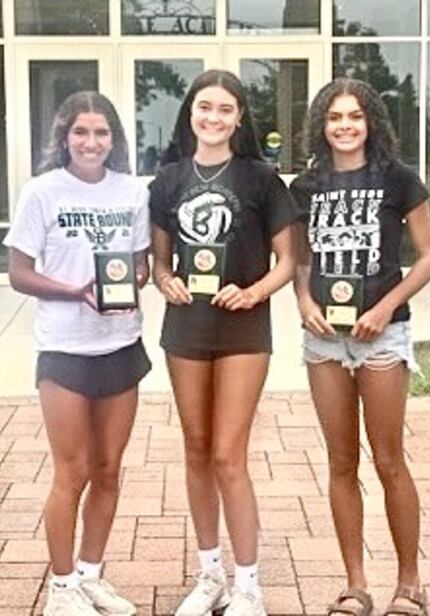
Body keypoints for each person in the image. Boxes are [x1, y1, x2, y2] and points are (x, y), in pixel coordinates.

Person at [149, 69, 299, 616]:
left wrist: (254, 290)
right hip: (185, 328)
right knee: (194, 450)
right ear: (190, 114)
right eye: (203, 107)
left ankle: (248, 584)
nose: (212, 118)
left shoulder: (261, 179)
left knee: (227, 456)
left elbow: (289, 261)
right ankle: (209, 574)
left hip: (243, 330)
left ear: (240, 117)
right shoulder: (167, 179)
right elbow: (160, 263)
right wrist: (166, 282)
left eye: (224, 109)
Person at [290, 78, 430, 616]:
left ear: (371, 121)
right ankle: (355, 585)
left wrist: (383, 308)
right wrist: (303, 301)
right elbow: (300, 262)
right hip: (325, 341)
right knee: (339, 462)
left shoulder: (399, 180)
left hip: (383, 335)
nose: (345, 126)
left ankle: (409, 583)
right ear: (321, 126)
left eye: (355, 116)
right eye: (335, 118)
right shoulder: (305, 187)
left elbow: (428, 257)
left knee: (388, 460)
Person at [4, 91, 151, 616]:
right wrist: (76, 291)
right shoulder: (41, 193)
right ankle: (61, 589)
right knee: (74, 470)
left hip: (121, 343)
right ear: (64, 136)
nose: (92, 143)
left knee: (109, 468)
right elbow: (18, 272)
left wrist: (128, 284)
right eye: (81, 132)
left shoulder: (133, 192)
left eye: (102, 133)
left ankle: (90, 576)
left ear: (115, 139)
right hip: (64, 348)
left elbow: (140, 266)